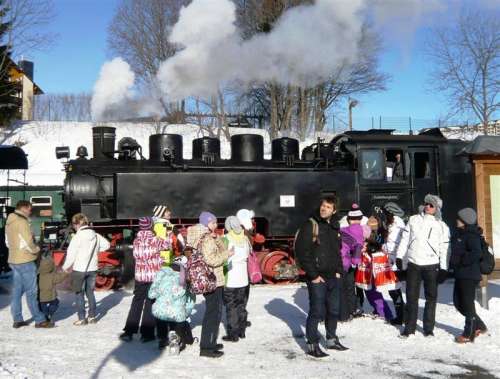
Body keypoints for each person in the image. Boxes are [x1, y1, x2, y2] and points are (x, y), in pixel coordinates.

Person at [294, 195, 348, 358]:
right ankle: (312, 344)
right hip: (317, 278)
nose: (324, 209)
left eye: (328, 207)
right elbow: (302, 252)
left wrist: (339, 271)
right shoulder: (310, 225)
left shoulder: (334, 226)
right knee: (317, 311)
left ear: (334, 210)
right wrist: (314, 275)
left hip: (333, 276)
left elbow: (337, 251)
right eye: (323, 205)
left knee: (333, 310)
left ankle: (331, 339)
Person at [397, 194, 450, 338]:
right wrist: (399, 258)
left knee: (431, 298)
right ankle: (409, 328)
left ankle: (428, 329)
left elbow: (444, 248)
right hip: (414, 263)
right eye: (426, 203)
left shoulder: (442, 226)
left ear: (437, 208)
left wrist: (444, 268)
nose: (427, 206)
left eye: (431, 205)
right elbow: (404, 240)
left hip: (431, 265)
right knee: (411, 297)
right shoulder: (413, 220)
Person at [187, 212, 230, 358]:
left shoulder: (203, 236)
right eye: (213, 222)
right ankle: (207, 347)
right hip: (213, 279)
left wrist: (217, 238)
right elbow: (211, 260)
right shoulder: (206, 239)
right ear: (206, 223)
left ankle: (209, 342)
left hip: (208, 279)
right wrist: (226, 256)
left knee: (213, 312)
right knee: (213, 313)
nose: (216, 225)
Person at [120, 217, 169, 341]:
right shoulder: (155, 240)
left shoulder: (136, 241)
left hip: (140, 276)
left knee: (137, 301)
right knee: (150, 303)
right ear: (151, 226)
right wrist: (167, 232)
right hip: (153, 277)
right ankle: (147, 334)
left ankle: (129, 331)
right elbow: (167, 244)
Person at [6, 200, 53, 328]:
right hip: (25, 260)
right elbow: (27, 242)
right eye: (30, 209)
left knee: (17, 291)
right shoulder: (22, 222)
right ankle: (39, 320)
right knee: (32, 291)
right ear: (24, 208)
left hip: (13, 259)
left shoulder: (10, 221)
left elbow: (7, 241)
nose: (31, 212)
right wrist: (36, 249)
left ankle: (17, 319)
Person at [63, 213, 110, 325]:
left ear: (79, 223)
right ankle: (92, 317)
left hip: (79, 270)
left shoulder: (77, 237)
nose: (74, 226)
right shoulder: (96, 235)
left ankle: (82, 318)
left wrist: (65, 267)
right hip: (93, 268)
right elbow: (107, 245)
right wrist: (96, 251)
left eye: (74, 224)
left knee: (79, 294)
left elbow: (71, 254)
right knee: (90, 293)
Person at [450, 208, 488, 343]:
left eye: (459, 219)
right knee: (458, 302)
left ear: (465, 221)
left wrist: (462, 261)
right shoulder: (460, 234)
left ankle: (469, 333)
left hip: (469, 274)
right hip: (461, 274)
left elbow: (477, 253)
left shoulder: (471, 235)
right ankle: (480, 325)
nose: (456, 220)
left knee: (467, 304)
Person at [148, 256, 195, 352]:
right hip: (176, 314)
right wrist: (186, 314)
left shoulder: (161, 273)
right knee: (179, 315)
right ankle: (176, 342)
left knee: (161, 312)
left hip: (160, 311)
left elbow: (151, 294)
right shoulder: (186, 279)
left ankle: (162, 339)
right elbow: (190, 302)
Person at [355, 234, 398, 321]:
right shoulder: (365, 250)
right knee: (370, 294)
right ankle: (378, 311)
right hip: (367, 277)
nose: (363, 244)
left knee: (374, 295)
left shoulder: (375, 251)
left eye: (365, 244)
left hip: (374, 277)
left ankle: (385, 313)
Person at [222, 216, 250, 342]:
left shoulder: (226, 239)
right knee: (241, 305)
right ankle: (242, 331)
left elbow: (222, 258)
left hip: (231, 278)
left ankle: (233, 334)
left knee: (231, 306)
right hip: (243, 278)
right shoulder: (245, 239)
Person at [381, 202, 408, 325]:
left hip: (394, 262)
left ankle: (401, 316)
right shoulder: (394, 224)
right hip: (392, 260)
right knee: (394, 290)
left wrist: (383, 249)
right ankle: (402, 315)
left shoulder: (397, 225)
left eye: (385, 212)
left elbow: (394, 245)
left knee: (394, 289)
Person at [339, 203, 367, 321]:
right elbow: (357, 248)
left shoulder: (343, 229)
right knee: (349, 287)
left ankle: (343, 313)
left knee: (341, 288)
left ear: (349, 219)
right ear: (360, 219)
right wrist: (356, 261)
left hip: (339, 262)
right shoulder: (360, 230)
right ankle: (352, 310)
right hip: (348, 263)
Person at [236, 208, 255, 328]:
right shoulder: (245, 234)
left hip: (239, 269)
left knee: (240, 295)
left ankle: (239, 319)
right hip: (243, 269)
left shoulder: (237, 231)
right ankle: (240, 320)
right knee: (242, 295)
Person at [38, 255, 68, 322]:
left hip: (41, 297)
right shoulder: (52, 276)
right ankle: (50, 313)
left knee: (43, 307)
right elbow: (59, 278)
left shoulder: (39, 275)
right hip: (51, 297)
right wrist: (65, 273)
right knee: (55, 303)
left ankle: (45, 316)